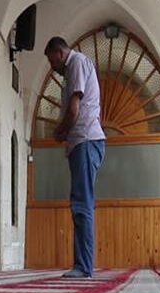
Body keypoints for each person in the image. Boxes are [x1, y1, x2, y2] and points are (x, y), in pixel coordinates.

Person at [44, 36, 106, 279]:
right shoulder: (72, 69)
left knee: (82, 204)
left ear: (59, 53)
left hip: (85, 140)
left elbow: (73, 110)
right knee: (80, 202)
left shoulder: (76, 63)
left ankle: (83, 266)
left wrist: (59, 132)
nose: (53, 68)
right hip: (81, 142)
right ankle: (82, 264)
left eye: (52, 61)